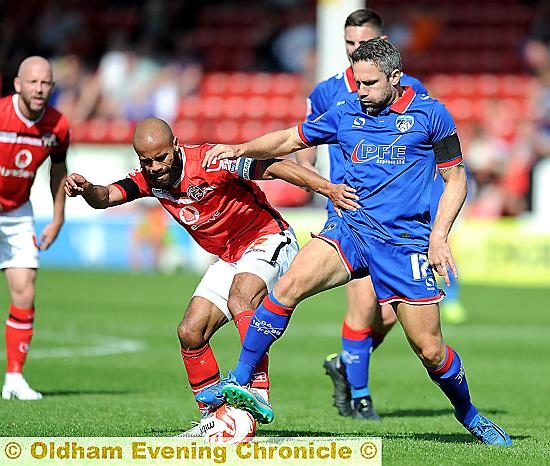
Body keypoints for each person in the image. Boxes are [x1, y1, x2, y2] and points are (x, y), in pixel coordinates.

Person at [196, 39, 512, 446]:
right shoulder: (346, 112)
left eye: (369, 83)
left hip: (404, 244)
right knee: (288, 287)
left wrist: (439, 238)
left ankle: (469, 414)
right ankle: (240, 380)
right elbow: (290, 140)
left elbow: (457, 180)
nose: (360, 90)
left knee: (430, 350)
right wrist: (239, 148)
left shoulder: (431, 114)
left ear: (395, 78)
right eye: (356, 81)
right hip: (351, 229)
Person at [64, 117, 358, 435]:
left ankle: (257, 388)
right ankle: (215, 418)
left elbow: (272, 167)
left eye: (161, 157)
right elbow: (106, 197)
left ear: (176, 145)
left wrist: (327, 188)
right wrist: (87, 189)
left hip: (267, 237)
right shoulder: (150, 180)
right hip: (229, 256)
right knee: (190, 331)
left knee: (240, 297)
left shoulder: (210, 161)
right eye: (146, 161)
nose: (155, 167)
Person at [296, 8, 428, 421]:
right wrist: (312, 178)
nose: (355, 53)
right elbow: (306, 142)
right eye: (349, 45)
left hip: (402, 220)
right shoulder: (325, 92)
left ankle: (345, 364)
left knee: (391, 312)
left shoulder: (410, 90)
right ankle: (361, 397)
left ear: (383, 45)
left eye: (363, 44)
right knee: (362, 305)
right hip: (352, 213)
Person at [1, 56, 70, 401]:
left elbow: (58, 171)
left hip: (17, 214)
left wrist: (58, 216)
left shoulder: (57, 126)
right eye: (33, 82)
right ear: (18, 84)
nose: (39, 89)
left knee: (25, 291)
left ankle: (14, 379)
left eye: (46, 83)